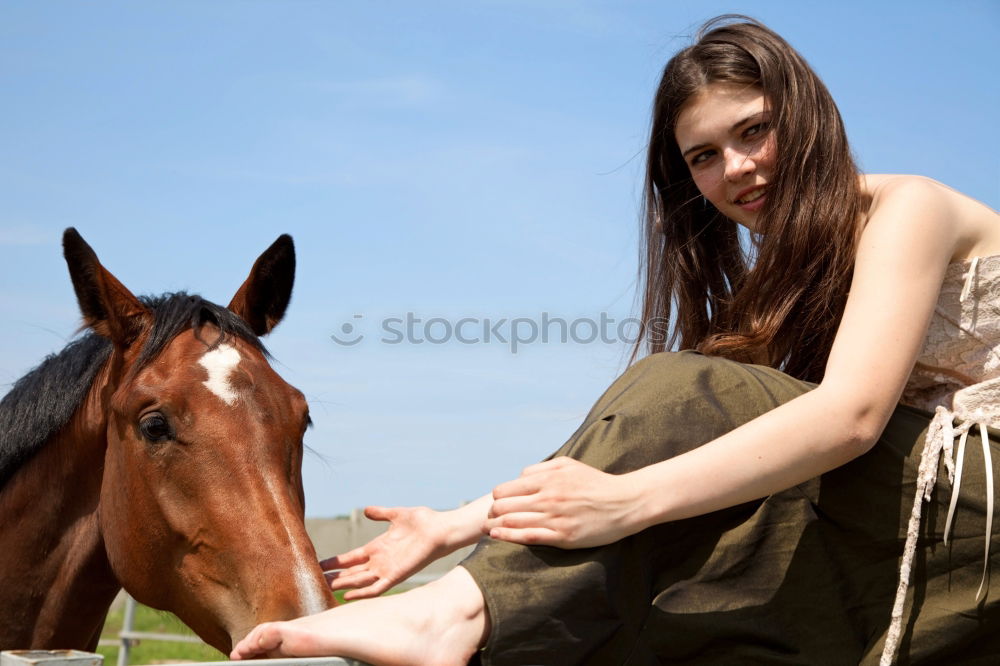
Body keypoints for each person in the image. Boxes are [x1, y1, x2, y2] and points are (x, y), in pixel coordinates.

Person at [231, 16, 999, 665]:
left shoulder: (909, 209)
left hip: (981, 499)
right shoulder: (788, 282)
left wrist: (626, 504)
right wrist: (457, 523)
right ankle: (462, 620)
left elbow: (851, 417)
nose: (737, 169)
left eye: (754, 131)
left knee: (683, 395)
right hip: (914, 508)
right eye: (703, 156)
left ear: (805, 114)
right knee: (648, 550)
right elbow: (648, 440)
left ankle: (448, 615)